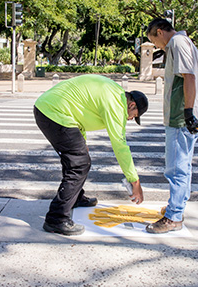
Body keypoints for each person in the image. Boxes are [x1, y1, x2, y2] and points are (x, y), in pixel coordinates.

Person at [34, 74, 148, 235]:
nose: (130, 119)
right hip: (54, 113)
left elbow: (81, 112)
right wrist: (134, 181)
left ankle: (76, 198)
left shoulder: (115, 92)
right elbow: (120, 146)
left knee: (76, 159)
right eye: (134, 115)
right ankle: (56, 218)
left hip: (50, 109)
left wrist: (83, 142)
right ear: (132, 105)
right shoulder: (116, 105)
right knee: (79, 164)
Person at [146, 18, 198, 234]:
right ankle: (177, 207)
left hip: (179, 117)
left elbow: (189, 77)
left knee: (176, 168)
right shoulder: (184, 42)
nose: (158, 47)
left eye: (154, 42)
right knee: (182, 166)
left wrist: (187, 112)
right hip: (181, 116)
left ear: (160, 32)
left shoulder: (177, 42)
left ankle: (174, 217)